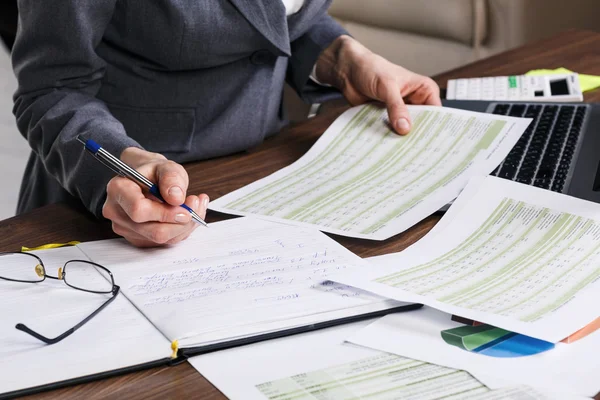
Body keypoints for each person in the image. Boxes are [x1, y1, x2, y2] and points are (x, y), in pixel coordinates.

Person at [12, 0, 441, 247]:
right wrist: (121, 162)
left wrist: (339, 56)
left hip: (268, 181)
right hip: (127, 208)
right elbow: (51, 88)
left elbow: (273, 14)